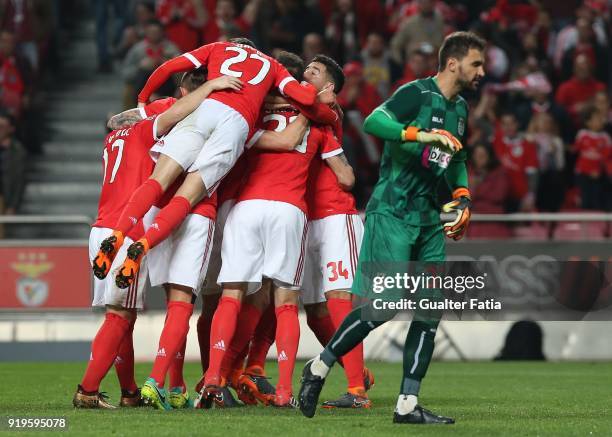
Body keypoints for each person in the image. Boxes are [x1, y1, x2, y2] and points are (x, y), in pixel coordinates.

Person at [298, 31, 485, 425]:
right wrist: (418, 133)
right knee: (384, 306)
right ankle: (318, 366)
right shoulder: (415, 94)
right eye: (476, 64)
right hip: (393, 212)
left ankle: (407, 405)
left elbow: (456, 158)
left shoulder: (462, 109)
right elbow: (374, 121)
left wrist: (463, 194)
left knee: (431, 310)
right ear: (453, 63)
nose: (481, 71)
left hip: (430, 218)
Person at [92, 38, 322, 290]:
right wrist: (311, 92)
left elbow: (168, 68)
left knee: (156, 181)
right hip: (235, 130)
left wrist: (142, 99)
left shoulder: (216, 50)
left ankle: (118, 236)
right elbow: (304, 103)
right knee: (187, 196)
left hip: (204, 111)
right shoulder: (272, 65)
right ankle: (143, 246)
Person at [73, 72, 241, 409]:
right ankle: (88, 390)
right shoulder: (149, 128)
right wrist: (210, 88)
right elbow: (178, 112)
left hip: (102, 226)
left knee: (122, 315)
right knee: (121, 316)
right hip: (131, 227)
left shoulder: (114, 136)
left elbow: (117, 120)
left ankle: (130, 392)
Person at [196, 52, 340, 409]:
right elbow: (338, 158)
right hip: (289, 210)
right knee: (286, 303)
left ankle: (214, 376)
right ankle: (285, 391)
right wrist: (311, 108)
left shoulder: (250, 116)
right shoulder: (319, 120)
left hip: (244, 208)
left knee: (231, 295)